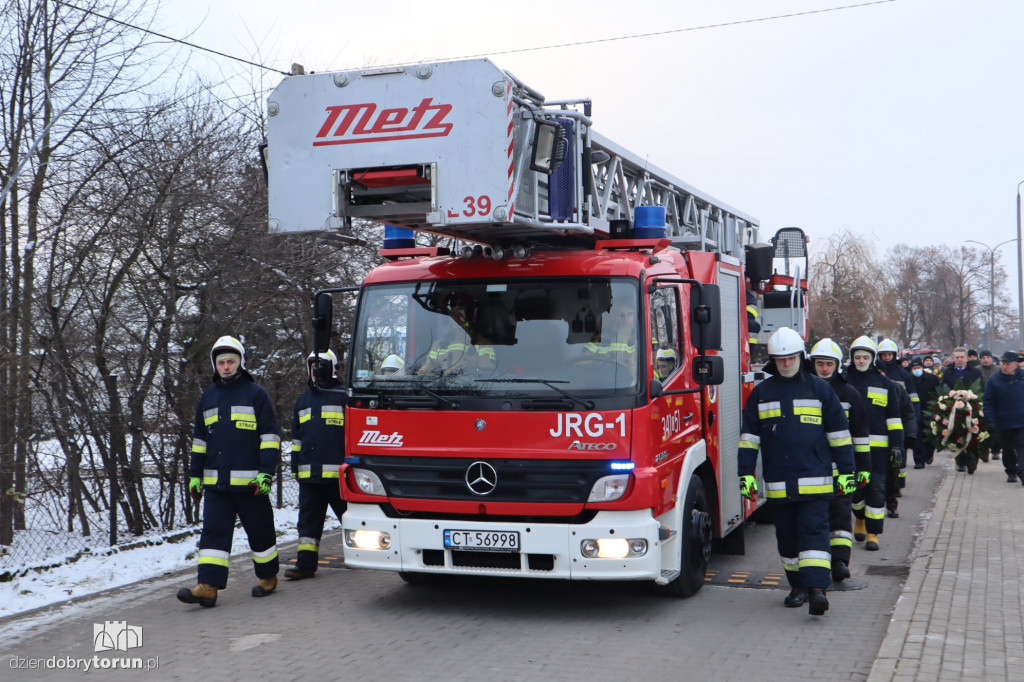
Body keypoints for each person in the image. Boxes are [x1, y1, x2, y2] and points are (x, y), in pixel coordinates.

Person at [738, 327, 855, 615]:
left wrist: (847, 472)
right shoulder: (761, 394)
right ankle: (797, 586)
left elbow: (839, 435)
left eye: (791, 358)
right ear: (773, 361)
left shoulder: (821, 390)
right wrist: (745, 474)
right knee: (788, 540)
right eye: (780, 359)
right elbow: (749, 438)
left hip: (816, 482)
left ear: (801, 357)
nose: (786, 363)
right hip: (779, 483)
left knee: (814, 535)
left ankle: (817, 589)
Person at [178, 336, 282, 607]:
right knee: (213, 533)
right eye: (221, 362)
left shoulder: (256, 394)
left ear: (240, 363)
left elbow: (270, 437)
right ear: (215, 365)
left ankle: (268, 577)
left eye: (231, 362)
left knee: (260, 532)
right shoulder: (208, 398)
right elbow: (200, 442)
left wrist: (266, 473)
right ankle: (208, 586)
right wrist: (194, 476)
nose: (225, 367)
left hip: (251, 485)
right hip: (216, 485)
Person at [808, 338, 871, 583]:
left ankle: (841, 561)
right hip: (810, 468)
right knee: (814, 519)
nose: (824, 369)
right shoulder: (804, 389)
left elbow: (860, 434)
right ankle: (820, 563)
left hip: (840, 469)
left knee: (841, 515)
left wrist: (864, 468)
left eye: (829, 364)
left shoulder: (849, 393)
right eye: (820, 363)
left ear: (837, 365)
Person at [285, 350, 347, 580]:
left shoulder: (344, 396)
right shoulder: (302, 401)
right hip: (309, 475)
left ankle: (359, 556)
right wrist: (294, 466)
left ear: (332, 368)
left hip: (339, 476)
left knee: (349, 519)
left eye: (320, 365)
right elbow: (297, 438)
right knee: (308, 524)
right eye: (312, 366)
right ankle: (305, 565)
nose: (315, 370)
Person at [845, 336, 903, 551]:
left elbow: (894, 418)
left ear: (872, 359)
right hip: (850, 448)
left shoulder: (885, 384)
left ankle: (873, 533)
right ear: (852, 358)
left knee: (876, 489)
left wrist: (897, 446)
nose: (861, 361)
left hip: (878, 449)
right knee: (855, 491)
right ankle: (859, 518)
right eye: (858, 357)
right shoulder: (843, 381)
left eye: (865, 357)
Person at [417, 293, 496, 376]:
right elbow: (425, 371)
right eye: (452, 313)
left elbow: (486, 374)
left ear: (469, 315)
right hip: (442, 386)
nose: (455, 317)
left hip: (470, 387)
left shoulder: (482, 342)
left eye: (460, 311)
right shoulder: (439, 344)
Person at [982, 351, 1024, 484]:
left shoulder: (1022, 378)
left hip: (1021, 420)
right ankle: (1011, 471)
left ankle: (1022, 471)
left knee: (1022, 445)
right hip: (1003, 421)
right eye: (1003, 364)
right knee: (1007, 448)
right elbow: (988, 400)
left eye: (1008, 364)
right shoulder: (995, 380)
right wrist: (991, 419)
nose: (1004, 367)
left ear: (1016, 364)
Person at [940, 347, 983, 471]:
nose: (959, 360)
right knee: (957, 435)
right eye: (957, 357)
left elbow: (981, 388)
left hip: (972, 407)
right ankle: (960, 462)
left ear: (966, 358)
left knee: (973, 433)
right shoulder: (948, 372)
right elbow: (943, 388)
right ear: (953, 359)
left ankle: (972, 460)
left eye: (962, 357)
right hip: (954, 409)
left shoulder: (975, 372)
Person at [908, 357, 940, 467]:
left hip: (929, 411)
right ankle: (919, 461)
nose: (917, 369)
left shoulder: (933, 379)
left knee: (929, 437)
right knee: (917, 438)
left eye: (918, 367)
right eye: (914, 368)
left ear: (922, 368)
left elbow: (938, 393)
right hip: (914, 412)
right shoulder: (909, 380)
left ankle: (929, 454)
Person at [978, 349, 1001, 461]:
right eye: (983, 358)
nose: (986, 360)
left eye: (988, 357)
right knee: (982, 428)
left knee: (996, 428)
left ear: (992, 358)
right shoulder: (977, 370)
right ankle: (984, 450)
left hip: (995, 402)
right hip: (980, 401)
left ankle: (996, 450)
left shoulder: (998, 370)